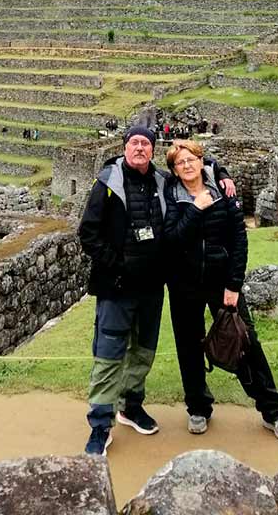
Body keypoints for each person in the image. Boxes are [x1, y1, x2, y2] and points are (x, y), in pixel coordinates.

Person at [163, 139, 278, 442]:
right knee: (188, 346)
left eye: (191, 160)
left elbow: (239, 240)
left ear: (201, 161)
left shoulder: (224, 191)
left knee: (246, 342)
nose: (186, 165)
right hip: (184, 285)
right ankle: (198, 407)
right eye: (179, 162)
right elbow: (172, 240)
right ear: (173, 169)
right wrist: (195, 210)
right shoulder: (170, 194)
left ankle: (272, 411)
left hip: (221, 282)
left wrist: (233, 285)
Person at [78, 125, 167, 456]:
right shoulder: (107, 184)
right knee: (109, 353)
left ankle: (131, 406)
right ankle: (100, 424)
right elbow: (88, 233)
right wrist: (116, 265)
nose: (140, 148)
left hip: (151, 287)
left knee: (143, 351)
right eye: (134, 143)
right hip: (117, 287)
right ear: (125, 148)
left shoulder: (161, 182)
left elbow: (198, 170)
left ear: (153, 150)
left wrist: (224, 173)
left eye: (146, 143)